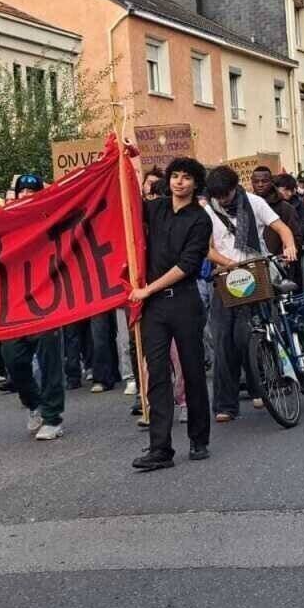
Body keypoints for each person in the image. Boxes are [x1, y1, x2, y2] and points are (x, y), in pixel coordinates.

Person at [130, 158, 213, 471]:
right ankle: (160, 447)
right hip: (155, 308)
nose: (179, 182)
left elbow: (187, 265)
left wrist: (147, 289)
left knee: (192, 371)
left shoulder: (201, 220)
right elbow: (126, 203)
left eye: (186, 177)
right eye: (175, 176)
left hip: (184, 302)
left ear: (195, 183)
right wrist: (127, 161)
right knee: (157, 374)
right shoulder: (157, 208)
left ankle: (198, 438)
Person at [204, 165, 297, 420]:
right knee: (224, 339)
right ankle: (225, 405)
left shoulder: (254, 202)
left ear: (234, 188)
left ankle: (263, 387)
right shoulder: (207, 211)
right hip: (226, 276)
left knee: (254, 333)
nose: (222, 200)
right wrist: (227, 263)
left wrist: (289, 246)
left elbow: (281, 228)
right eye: (217, 196)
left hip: (257, 272)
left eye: (226, 194)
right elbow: (206, 248)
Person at [0, 174, 67, 442]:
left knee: (50, 360)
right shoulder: (5, 223)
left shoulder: (52, 219)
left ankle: (52, 417)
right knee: (12, 357)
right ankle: (33, 403)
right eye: (22, 191)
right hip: (15, 304)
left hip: (46, 300)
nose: (27, 195)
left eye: (33, 191)